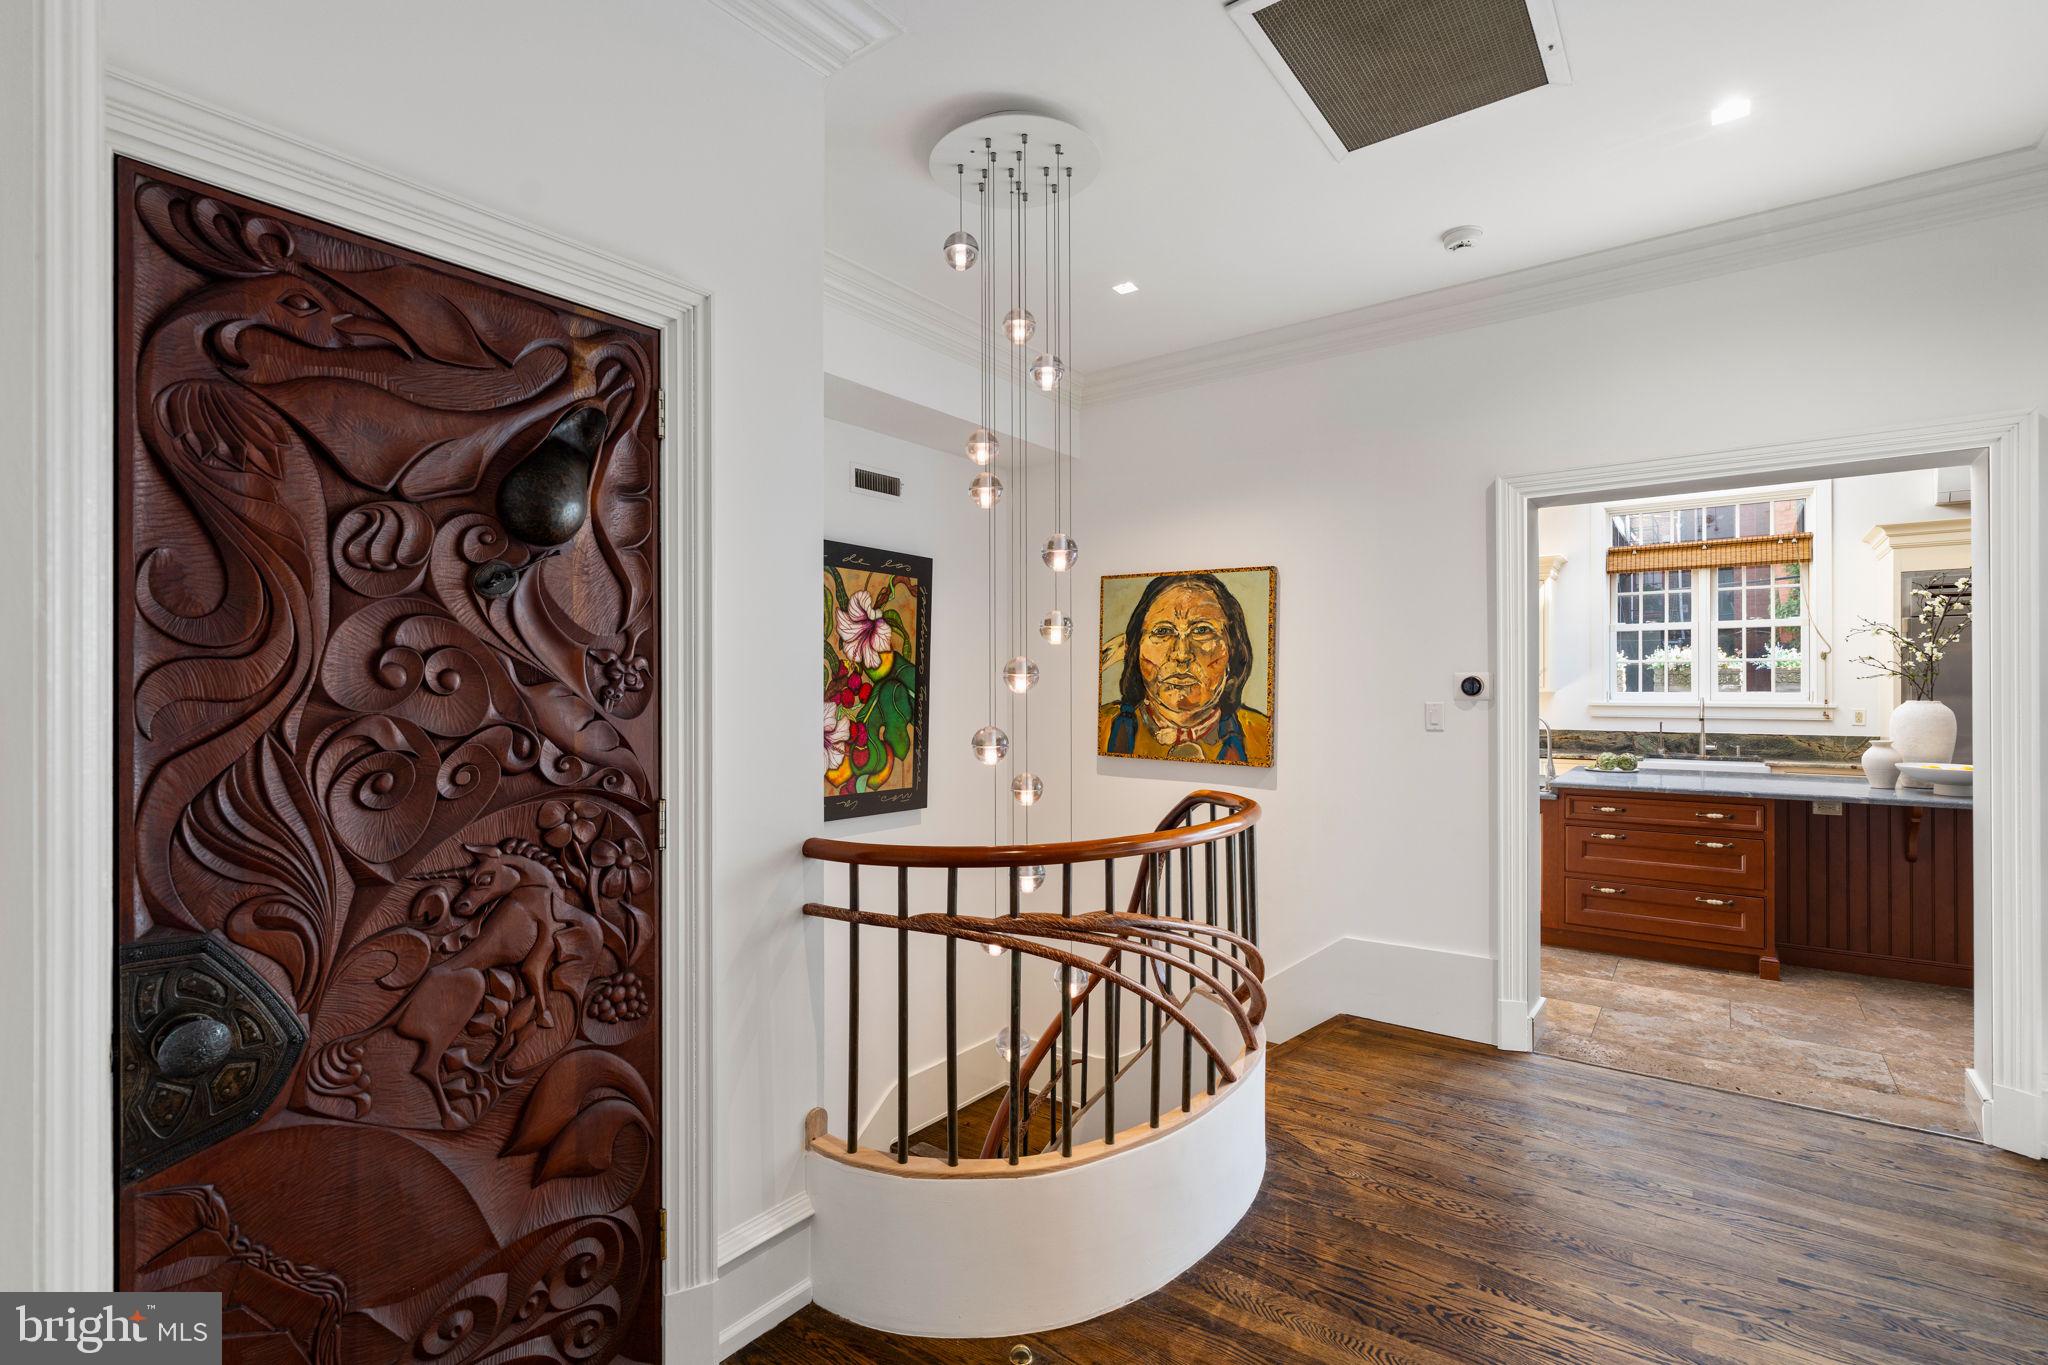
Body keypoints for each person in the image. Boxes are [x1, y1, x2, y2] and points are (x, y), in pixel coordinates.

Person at [1099, 572, 1271, 765]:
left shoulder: (1262, 735)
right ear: (1134, 649)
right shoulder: (1102, 727)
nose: (1181, 655)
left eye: (1202, 630)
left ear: (1234, 649)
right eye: (1163, 631)